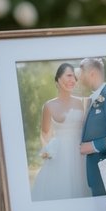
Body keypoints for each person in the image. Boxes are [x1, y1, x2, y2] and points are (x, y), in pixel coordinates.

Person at [31, 63, 89, 201]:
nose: (72, 80)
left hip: (81, 154)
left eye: (74, 77)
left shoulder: (82, 103)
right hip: (60, 156)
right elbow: (44, 134)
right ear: (58, 79)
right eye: (69, 76)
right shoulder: (49, 106)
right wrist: (47, 149)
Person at [79, 57, 106, 195]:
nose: (80, 77)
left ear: (92, 73)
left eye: (82, 73)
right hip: (96, 172)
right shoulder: (94, 98)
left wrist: (93, 146)